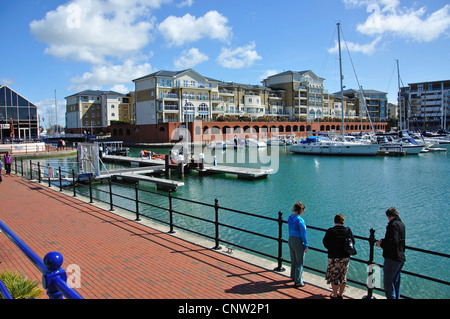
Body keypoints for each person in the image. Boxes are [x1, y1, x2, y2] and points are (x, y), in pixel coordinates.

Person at [376, 207, 406, 299]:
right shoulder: (401, 224)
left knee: (388, 284)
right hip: (400, 257)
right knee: (396, 282)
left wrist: (381, 244)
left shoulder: (392, 225)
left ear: (389, 216)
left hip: (392, 258)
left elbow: (392, 242)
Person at [323, 214, 355, 299]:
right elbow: (353, 242)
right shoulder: (348, 230)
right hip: (345, 257)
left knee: (334, 276)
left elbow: (325, 243)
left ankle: (334, 294)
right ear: (343, 221)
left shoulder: (330, 231)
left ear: (334, 221)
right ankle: (341, 294)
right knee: (343, 276)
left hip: (333, 257)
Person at [288, 201, 308, 287]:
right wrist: (306, 245)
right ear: (301, 210)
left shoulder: (290, 217)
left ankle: (293, 276)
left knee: (293, 259)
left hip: (290, 239)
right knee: (299, 261)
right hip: (298, 240)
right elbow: (303, 233)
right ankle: (298, 281)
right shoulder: (300, 220)